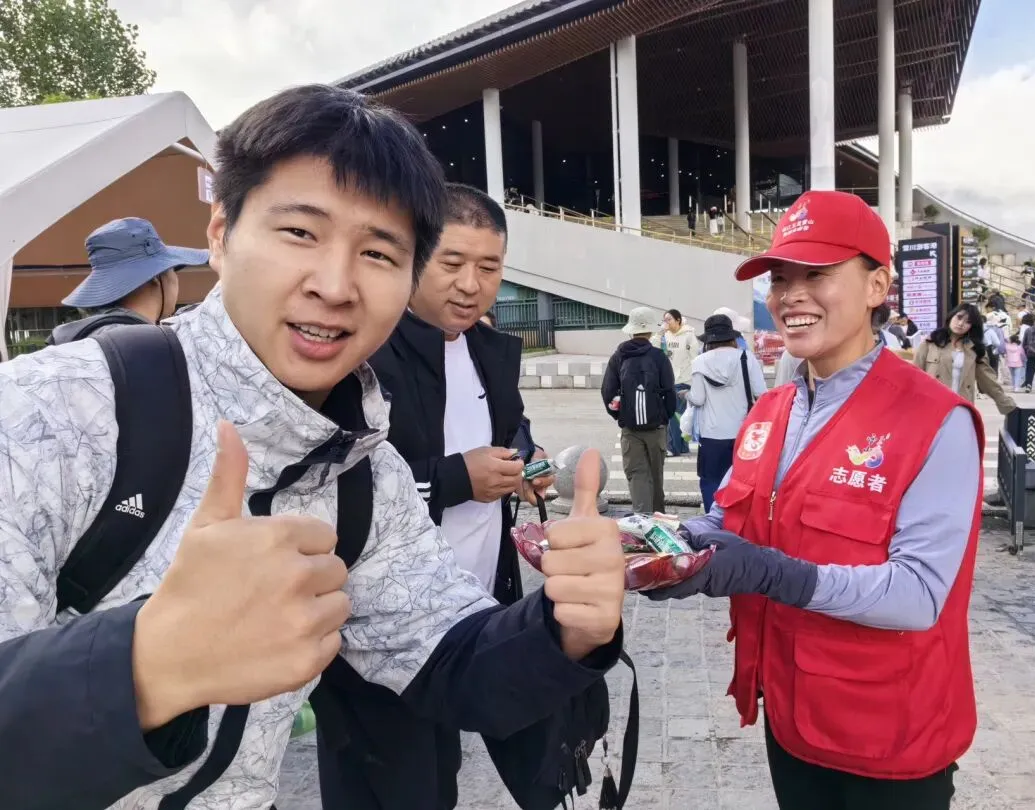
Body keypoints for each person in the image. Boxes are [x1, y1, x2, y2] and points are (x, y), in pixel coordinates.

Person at [0, 84, 627, 810]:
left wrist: (565, 629)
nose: (335, 285)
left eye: (379, 253)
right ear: (220, 232)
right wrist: (142, 667)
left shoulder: (361, 471)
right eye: (300, 232)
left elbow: (445, 658)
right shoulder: (50, 413)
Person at [647, 190, 984, 810]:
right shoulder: (769, 411)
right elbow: (728, 517)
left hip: (891, 737)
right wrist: (666, 544)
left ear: (878, 286)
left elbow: (919, 595)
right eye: (781, 278)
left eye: (817, 274)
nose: (790, 295)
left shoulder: (935, 421)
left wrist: (769, 572)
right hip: (791, 716)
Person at [314, 184, 564, 810]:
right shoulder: (362, 353)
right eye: (452, 263)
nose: (471, 285)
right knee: (390, 787)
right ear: (416, 255)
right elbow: (331, 488)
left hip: (468, 614)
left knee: (440, 779)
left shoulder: (491, 351)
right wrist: (457, 479)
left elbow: (510, 427)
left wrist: (524, 460)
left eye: (490, 268)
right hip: (378, 631)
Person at [47, 217, 206, 344]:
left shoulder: (81, 338)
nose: (175, 278)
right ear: (156, 277)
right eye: (173, 269)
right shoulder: (145, 345)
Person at [601, 306, 676, 513]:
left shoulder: (619, 356)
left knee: (636, 475)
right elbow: (670, 391)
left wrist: (621, 415)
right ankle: (658, 518)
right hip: (656, 427)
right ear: (650, 331)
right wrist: (664, 417)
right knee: (656, 475)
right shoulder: (659, 357)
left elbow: (608, 392)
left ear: (631, 331)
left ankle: (642, 519)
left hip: (630, 429)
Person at [687, 313, 766, 507]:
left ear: (708, 340)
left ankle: (713, 518)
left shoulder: (700, 361)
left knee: (711, 482)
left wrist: (686, 395)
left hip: (711, 433)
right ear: (732, 337)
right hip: (743, 433)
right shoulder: (746, 358)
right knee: (742, 480)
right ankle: (737, 518)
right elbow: (762, 394)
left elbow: (698, 398)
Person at [914, 304, 1016, 414]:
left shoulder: (975, 349)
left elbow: (988, 380)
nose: (960, 324)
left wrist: (1006, 403)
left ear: (972, 326)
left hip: (962, 407)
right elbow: (914, 375)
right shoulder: (930, 343)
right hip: (932, 406)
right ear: (951, 316)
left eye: (968, 322)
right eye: (959, 317)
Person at [653, 308, 696, 456]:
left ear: (678, 320)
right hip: (668, 379)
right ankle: (682, 447)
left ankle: (673, 448)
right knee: (679, 415)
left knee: (674, 415)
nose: (666, 322)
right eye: (664, 319)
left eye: (669, 319)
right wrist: (660, 333)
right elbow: (653, 348)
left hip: (683, 380)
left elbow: (694, 357)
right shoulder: (665, 336)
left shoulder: (688, 335)